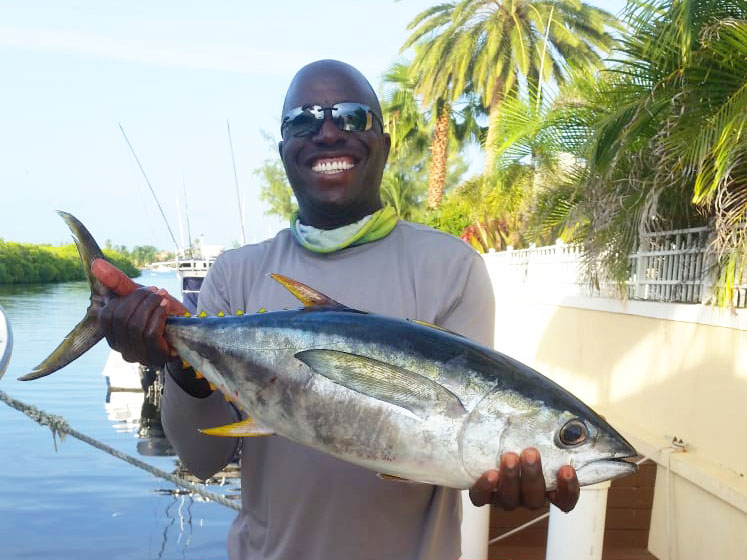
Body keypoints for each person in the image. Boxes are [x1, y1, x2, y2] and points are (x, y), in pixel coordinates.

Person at [93, 60, 579, 560]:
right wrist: (180, 360)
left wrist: (498, 478)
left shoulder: (452, 267)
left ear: (385, 145)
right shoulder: (235, 273)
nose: (328, 132)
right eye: (303, 120)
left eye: (352, 117)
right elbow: (202, 460)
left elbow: (461, 442)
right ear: (285, 151)